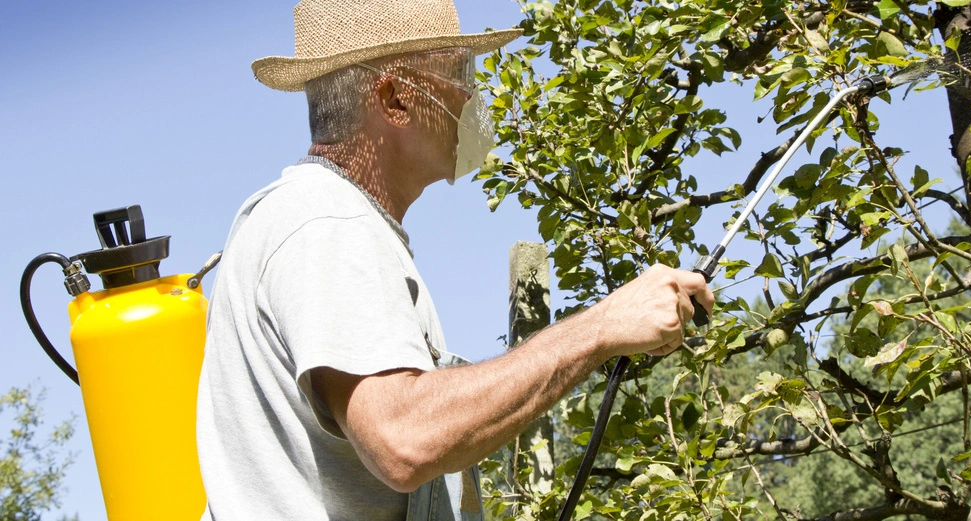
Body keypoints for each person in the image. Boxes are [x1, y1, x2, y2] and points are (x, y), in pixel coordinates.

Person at [195, 0, 714, 520]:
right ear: (396, 98)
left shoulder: (316, 219)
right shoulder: (328, 222)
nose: (471, 96)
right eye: (458, 73)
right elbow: (403, 438)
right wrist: (603, 327)